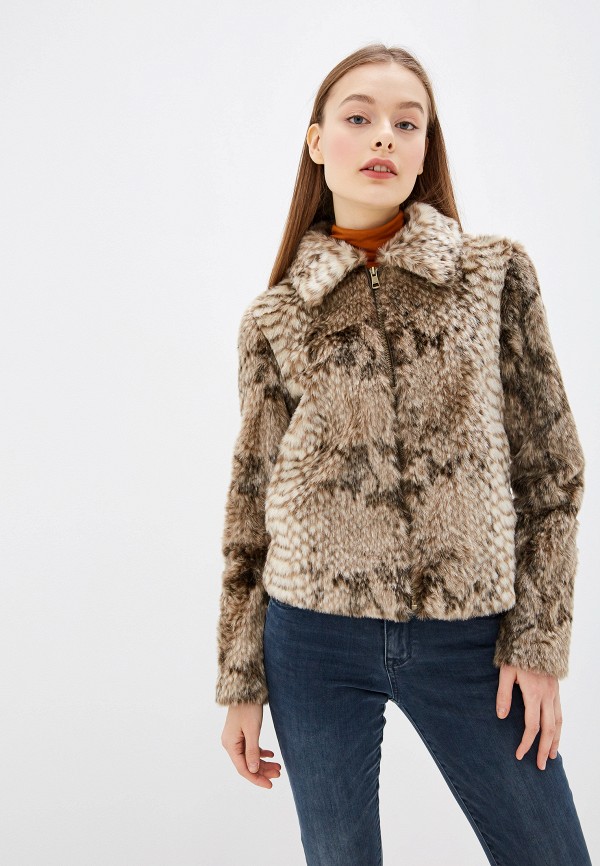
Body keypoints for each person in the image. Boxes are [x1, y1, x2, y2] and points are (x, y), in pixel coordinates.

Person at [214, 42, 592, 866]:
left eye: (406, 123)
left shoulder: (495, 276)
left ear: (425, 152)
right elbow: (251, 507)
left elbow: (553, 474)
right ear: (318, 142)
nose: (384, 135)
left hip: (472, 637)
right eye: (359, 118)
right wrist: (241, 680)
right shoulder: (276, 317)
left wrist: (537, 644)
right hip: (311, 638)